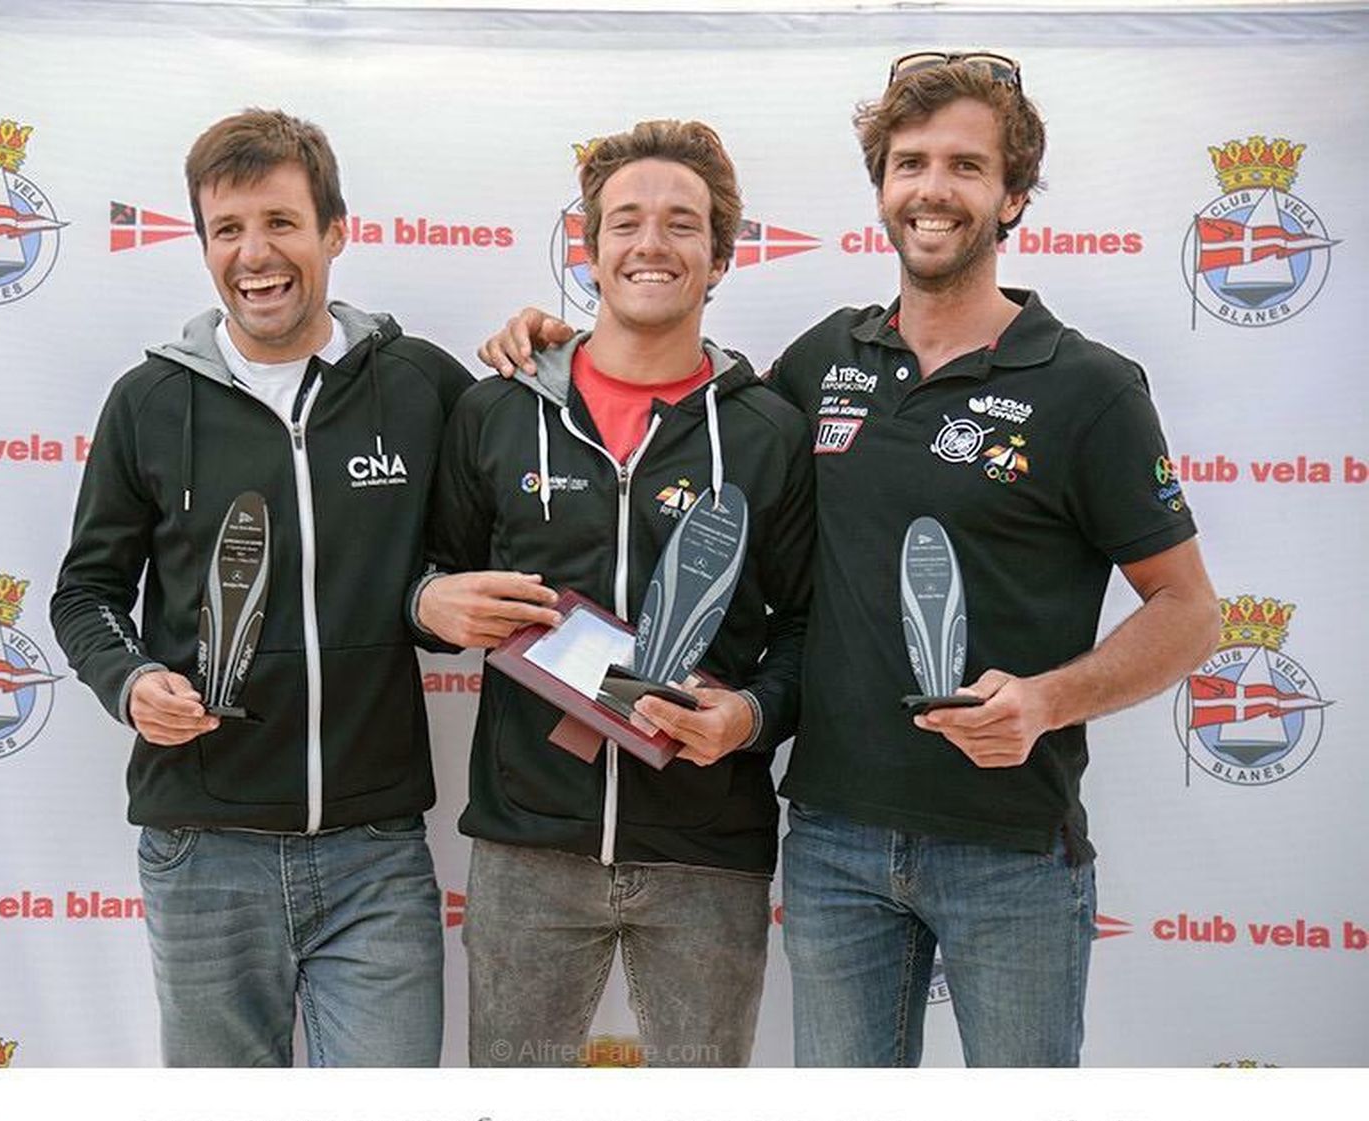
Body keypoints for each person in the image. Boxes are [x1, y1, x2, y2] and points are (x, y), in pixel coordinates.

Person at [478, 55, 1219, 1067]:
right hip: (833, 844)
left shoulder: (1089, 387)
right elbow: (679, 388)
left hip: (1008, 848)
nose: (932, 188)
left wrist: (1047, 700)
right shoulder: (826, 361)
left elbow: (1190, 611)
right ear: (880, 189)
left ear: (1012, 197)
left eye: (965, 166)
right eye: (910, 163)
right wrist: (557, 346)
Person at [50, 109, 472, 1067]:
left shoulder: (417, 383)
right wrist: (129, 680)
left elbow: (485, 535)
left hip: (374, 850)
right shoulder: (149, 401)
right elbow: (86, 593)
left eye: (281, 222)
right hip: (202, 847)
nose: (255, 255)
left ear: (335, 231)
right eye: (227, 229)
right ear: (204, 245)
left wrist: (548, 343)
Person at [418, 120, 814, 1068]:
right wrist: (429, 603)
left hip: (706, 853)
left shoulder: (768, 433)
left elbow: (812, 628)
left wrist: (753, 715)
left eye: (682, 224)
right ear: (589, 252)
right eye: (626, 221)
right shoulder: (495, 411)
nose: (651, 244)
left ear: (721, 257)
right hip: (528, 850)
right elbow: (427, 580)